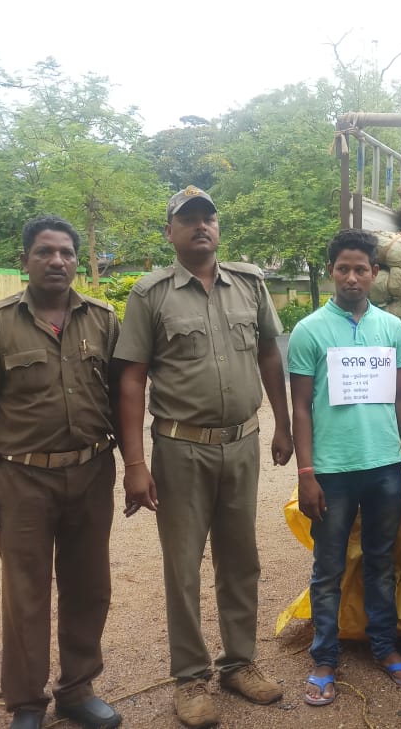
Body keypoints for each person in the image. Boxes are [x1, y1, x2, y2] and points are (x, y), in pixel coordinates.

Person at [112, 186, 293, 729]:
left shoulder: (250, 284)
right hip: (180, 447)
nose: (200, 226)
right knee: (183, 565)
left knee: (241, 559)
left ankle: (239, 663)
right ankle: (190, 678)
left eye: (207, 218)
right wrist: (135, 464)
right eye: (188, 219)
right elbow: (131, 378)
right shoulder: (151, 294)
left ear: (218, 226)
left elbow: (269, 353)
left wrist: (283, 423)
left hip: (242, 442)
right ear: (170, 232)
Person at [0, 216, 122, 729]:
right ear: (25, 260)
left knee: (89, 587)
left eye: (66, 253)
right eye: (45, 252)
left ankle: (77, 690)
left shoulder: (103, 319)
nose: (57, 261)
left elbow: (120, 398)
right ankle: (27, 703)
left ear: (77, 261)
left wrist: (136, 465)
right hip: (22, 480)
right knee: (26, 594)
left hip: (92, 472)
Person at [287, 229, 401, 707]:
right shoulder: (309, 331)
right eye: (343, 269)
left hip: (385, 466)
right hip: (332, 472)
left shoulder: (391, 328)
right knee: (328, 568)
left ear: (374, 274)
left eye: (360, 269)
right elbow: (300, 407)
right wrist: (307, 473)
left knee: (381, 562)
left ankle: (385, 648)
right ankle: (325, 658)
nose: (351, 277)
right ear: (331, 272)